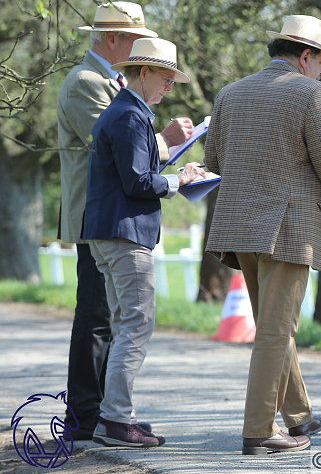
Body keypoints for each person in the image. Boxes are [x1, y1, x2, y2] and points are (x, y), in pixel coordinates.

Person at [204, 14, 321, 456]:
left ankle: (299, 413)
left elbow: (215, 160)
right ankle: (259, 431)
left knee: (273, 326)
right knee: (275, 332)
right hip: (288, 228)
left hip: (239, 226)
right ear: (306, 56)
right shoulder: (313, 93)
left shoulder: (228, 94)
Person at [56, 2, 194, 441]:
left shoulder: (114, 86)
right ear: (114, 40)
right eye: (139, 43)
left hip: (106, 213)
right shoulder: (86, 82)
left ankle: (101, 414)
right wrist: (168, 149)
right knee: (100, 317)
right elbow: (115, 147)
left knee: (110, 317)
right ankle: (90, 414)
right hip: (101, 213)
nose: (142, 53)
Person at [81, 38, 206, 447]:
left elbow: (131, 170)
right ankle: (116, 419)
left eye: (173, 81)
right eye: (166, 79)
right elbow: (137, 182)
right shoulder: (132, 115)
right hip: (124, 233)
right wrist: (179, 181)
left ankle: (113, 416)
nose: (169, 87)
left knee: (124, 324)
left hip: (107, 230)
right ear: (144, 72)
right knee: (136, 324)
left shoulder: (124, 111)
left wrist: (171, 168)